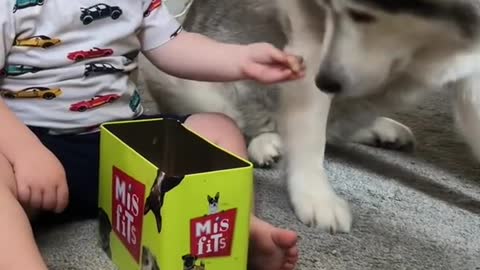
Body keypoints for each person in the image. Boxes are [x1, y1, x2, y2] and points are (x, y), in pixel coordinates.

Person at [0, 1, 305, 270]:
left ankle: (235, 232)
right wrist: (25, 151)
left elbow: (173, 46)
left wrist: (242, 60)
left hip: (127, 147)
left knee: (217, 128)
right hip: (32, 156)